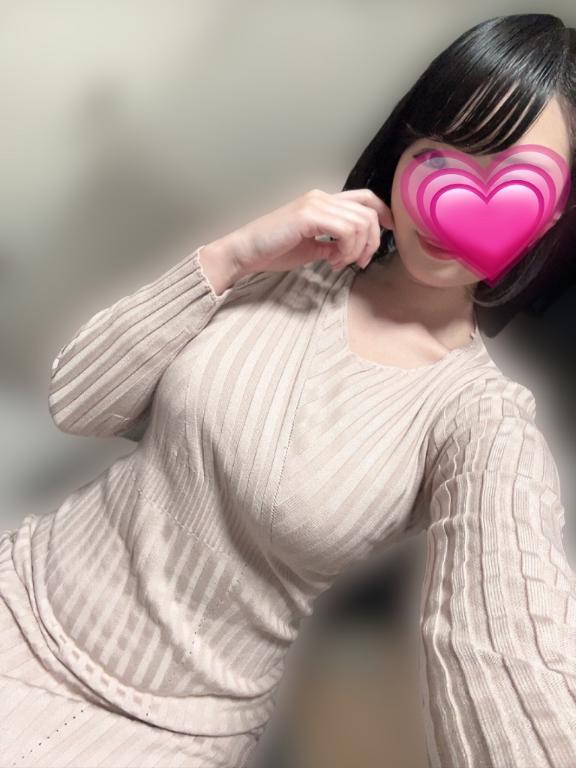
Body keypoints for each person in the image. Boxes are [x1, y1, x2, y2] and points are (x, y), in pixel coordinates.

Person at [1, 11, 576, 768]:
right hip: (19, 595)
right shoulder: (292, 261)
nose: (455, 200)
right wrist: (230, 258)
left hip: (164, 732)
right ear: (405, 149)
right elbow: (76, 401)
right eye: (443, 154)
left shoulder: (477, 416)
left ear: (551, 215)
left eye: (514, 180)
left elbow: (512, 651)